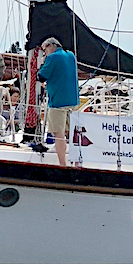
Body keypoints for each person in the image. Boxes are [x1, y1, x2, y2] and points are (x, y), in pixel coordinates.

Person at [37, 36, 80, 167]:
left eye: (45, 50)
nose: (45, 53)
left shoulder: (52, 57)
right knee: (72, 132)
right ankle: (77, 162)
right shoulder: (71, 56)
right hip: (73, 99)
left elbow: (41, 76)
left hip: (58, 101)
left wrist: (43, 62)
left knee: (58, 133)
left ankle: (63, 164)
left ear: (51, 46)